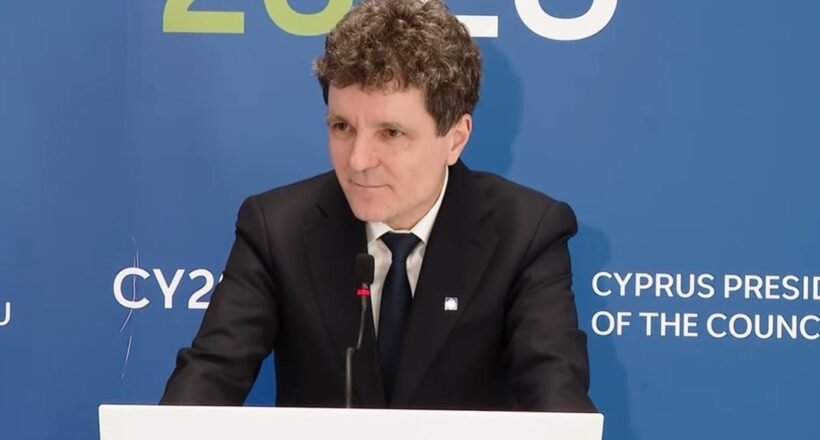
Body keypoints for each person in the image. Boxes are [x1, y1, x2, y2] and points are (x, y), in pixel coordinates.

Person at [161, 0, 595, 412]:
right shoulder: (277, 228)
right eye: (342, 127)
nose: (358, 161)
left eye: (390, 133)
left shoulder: (527, 234)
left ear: (456, 138)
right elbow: (206, 384)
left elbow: (556, 403)